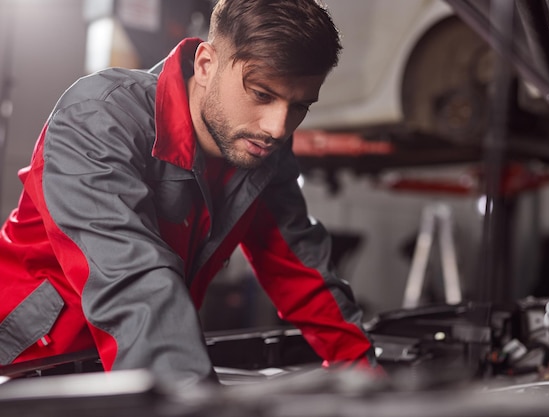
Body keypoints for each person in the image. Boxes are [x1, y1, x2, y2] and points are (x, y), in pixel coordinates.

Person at [0, 0, 380, 385]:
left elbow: (301, 269)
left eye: (298, 105)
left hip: (135, 370)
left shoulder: (263, 151)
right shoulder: (97, 119)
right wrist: (189, 399)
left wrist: (368, 377)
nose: (278, 127)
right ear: (205, 65)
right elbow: (133, 285)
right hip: (25, 365)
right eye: (262, 94)